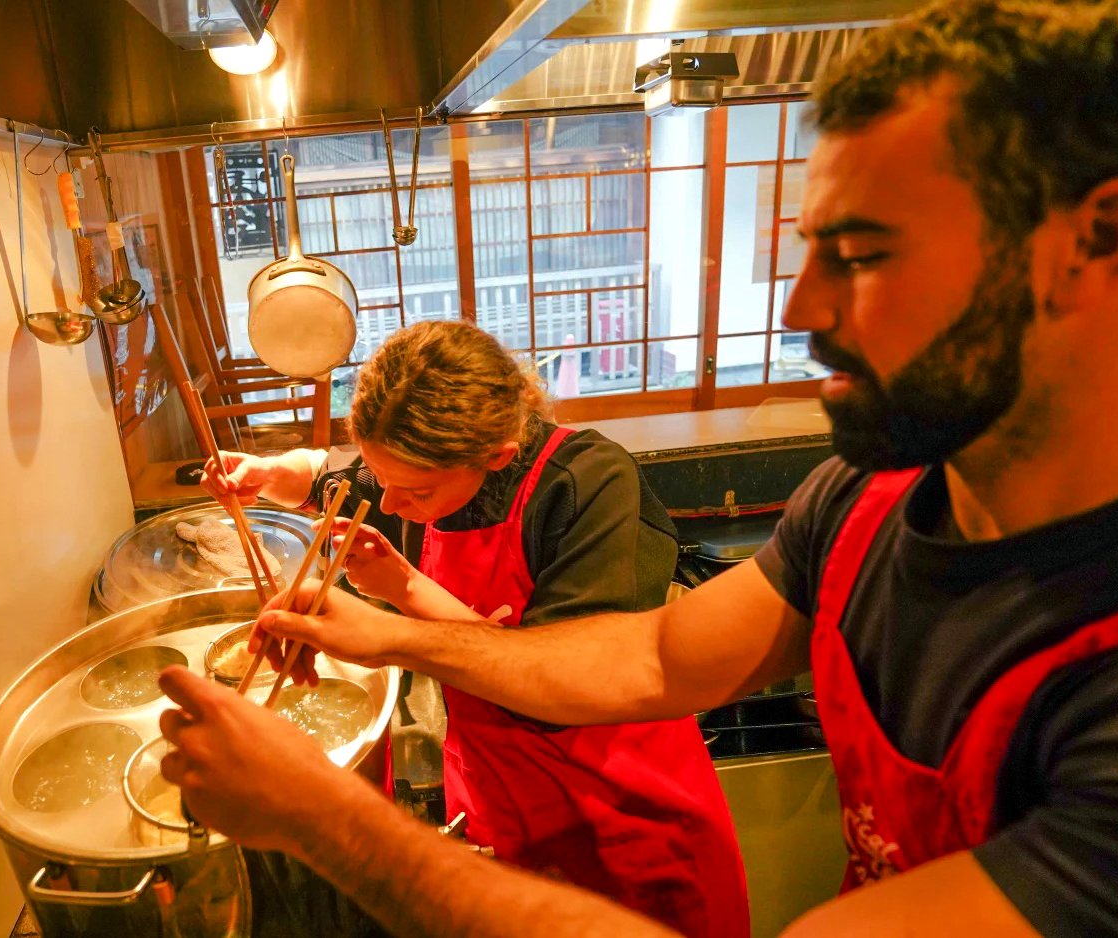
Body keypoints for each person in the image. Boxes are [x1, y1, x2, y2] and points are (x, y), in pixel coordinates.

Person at [160, 1, 1118, 934]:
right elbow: (656, 658)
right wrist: (386, 634)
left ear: (1094, 242)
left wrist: (324, 816)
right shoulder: (867, 502)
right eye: (809, 249)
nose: (799, 309)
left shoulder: (1111, 679)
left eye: (863, 254)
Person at [201, 320, 749, 937]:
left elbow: (570, 681)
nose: (386, 503)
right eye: (381, 475)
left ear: (497, 457)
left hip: (621, 817)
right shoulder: (414, 475)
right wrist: (270, 474)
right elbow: (342, 478)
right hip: (501, 800)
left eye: (414, 491)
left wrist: (404, 594)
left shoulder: (587, 484)